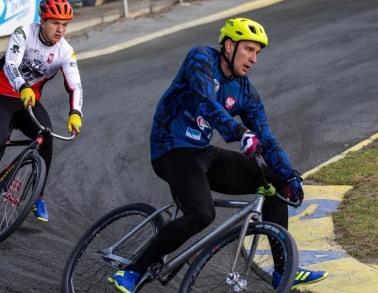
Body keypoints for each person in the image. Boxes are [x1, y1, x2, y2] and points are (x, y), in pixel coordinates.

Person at [108, 17, 328, 292]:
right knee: (202, 213)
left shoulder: (246, 91)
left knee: (275, 184)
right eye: (248, 49)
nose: (254, 59)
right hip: (170, 148)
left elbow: (267, 140)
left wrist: (290, 175)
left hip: (202, 151)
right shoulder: (200, 58)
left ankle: (283, 271)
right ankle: (132, 270)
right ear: (228, 45)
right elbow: (205, 101)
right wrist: (239, 132)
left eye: (257, 52)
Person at [0, 0, 83, 222]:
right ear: (43, 20)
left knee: (46, 135)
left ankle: (37, 195)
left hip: (27, 102)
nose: (60, 30)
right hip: (2, 93)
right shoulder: (24, 33)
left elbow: (75, 84)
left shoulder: (65, 51)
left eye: (65, 24)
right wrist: (23, 86)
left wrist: (76, 113)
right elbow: (10, 64)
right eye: (55, 23)